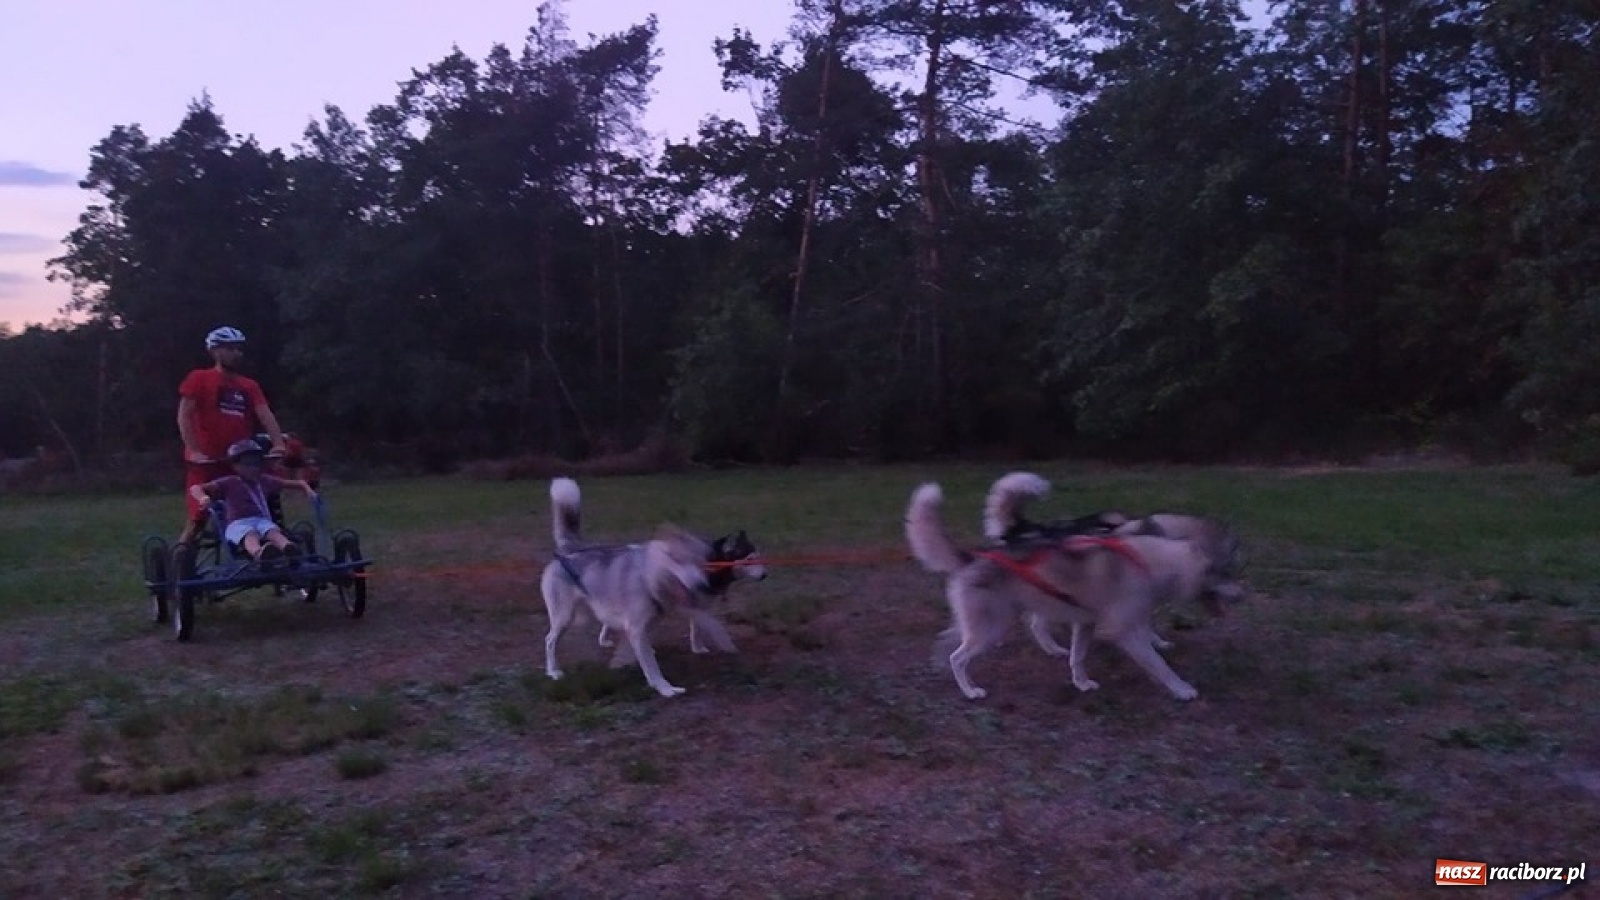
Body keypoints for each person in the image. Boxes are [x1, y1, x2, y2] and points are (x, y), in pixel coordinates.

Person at [176, 326, 288, 545]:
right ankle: (180, 559)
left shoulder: (248, 385)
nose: (236, 354)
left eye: (238, 349)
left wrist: (278, 443)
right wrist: (195, 451)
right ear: (215, 351)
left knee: (260, 504)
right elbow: (184, 416)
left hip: (240, 461)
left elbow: (264, 414)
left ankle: (272, 547)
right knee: (198, 517)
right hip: (208, 462)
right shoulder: (199, 378)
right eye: (230, 349)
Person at [188, 440, 317, 565]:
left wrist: (307, 489)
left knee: (273, 531)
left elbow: (295, 483)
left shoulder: (264, 480)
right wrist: (203, 498)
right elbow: (195, 488)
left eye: (256, 464)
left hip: (260, 521)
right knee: (250, 534)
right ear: (235, 465)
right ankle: (259, 554)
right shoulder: (229, 482)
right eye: (246, 464)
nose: (252, 468)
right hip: (238, 523)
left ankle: (288, 548)